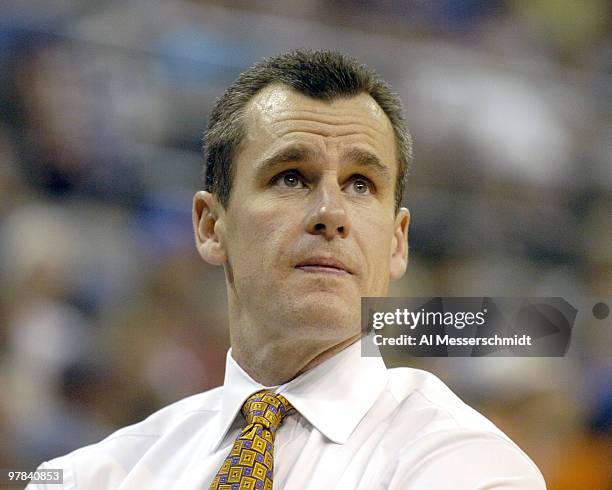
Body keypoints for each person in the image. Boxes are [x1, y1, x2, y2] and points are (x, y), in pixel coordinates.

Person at [29, 49, 546, 489]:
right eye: (292, 177)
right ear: (211, 226)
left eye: (361, 184)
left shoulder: (469, 468)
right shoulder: (91, 475)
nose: (331, 215)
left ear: (397, 241)